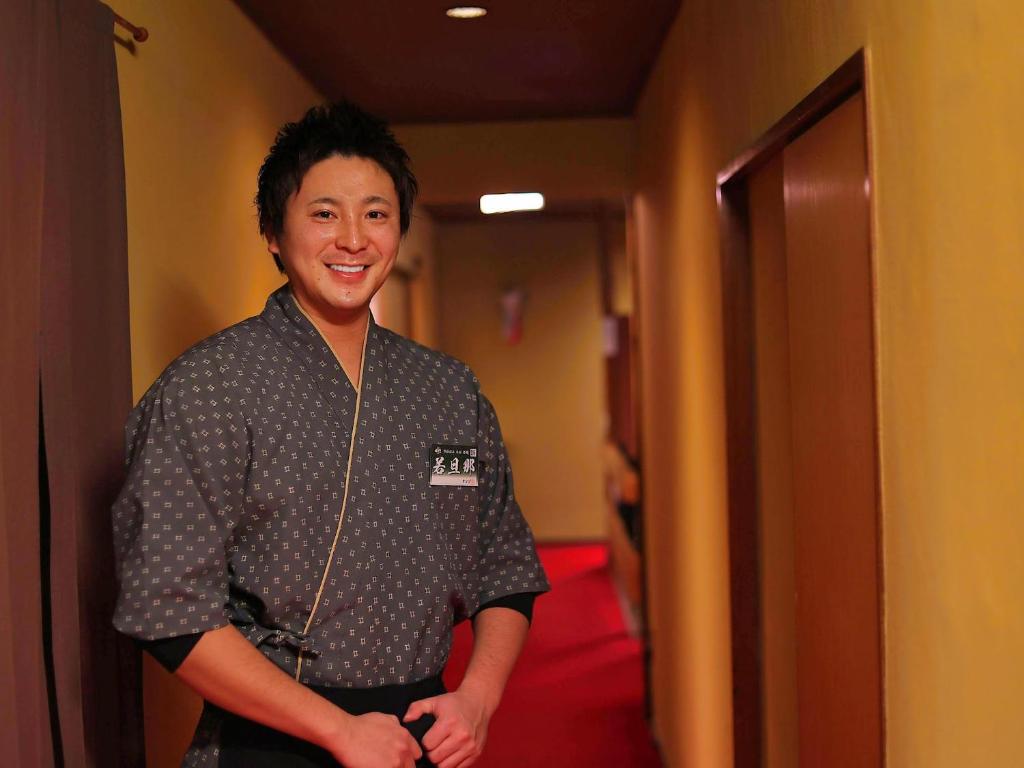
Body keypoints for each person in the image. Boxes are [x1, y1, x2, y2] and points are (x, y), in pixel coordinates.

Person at [111, 101, 550, 768]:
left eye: (375, 214)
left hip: (419, 734)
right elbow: (166, 606)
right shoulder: (206, 389)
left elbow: (505, 564)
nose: (353, 239)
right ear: (273, 232)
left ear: (399, 228)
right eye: (324, 214)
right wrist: (339, 731)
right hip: (268, 737)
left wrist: (479, 697)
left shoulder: (448, 390)